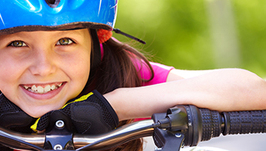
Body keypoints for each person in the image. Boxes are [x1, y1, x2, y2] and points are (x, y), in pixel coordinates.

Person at [0, 0, 266, 151]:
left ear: (96, 48)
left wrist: (115, 105)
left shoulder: (113, 69)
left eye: (66, 41)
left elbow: (255, 90)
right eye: (17, 44)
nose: (44, 68)